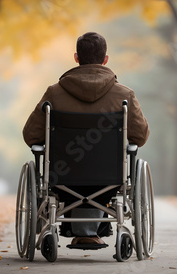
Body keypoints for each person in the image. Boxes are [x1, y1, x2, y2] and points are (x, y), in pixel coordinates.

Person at [23, 32, 149, 246]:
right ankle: (94, 230)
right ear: (105, 59)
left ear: (76, 58)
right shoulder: (124, 95)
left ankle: (71, 230)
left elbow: (31, 135)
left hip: (62, 177)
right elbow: (140, 136)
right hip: (109, 179)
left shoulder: (54, 94)